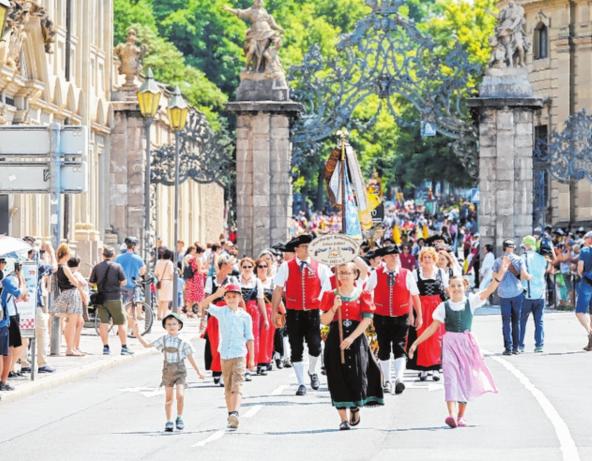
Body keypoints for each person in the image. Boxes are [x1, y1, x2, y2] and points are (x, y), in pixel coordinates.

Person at [408, 272, 505, 428]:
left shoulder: (471, 302)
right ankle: (451, 415)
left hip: (466, 345)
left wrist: (499, 275)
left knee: (465, 380)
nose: (456, 288)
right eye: (452, 286)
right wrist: (415, 343)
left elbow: (488, 290)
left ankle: (460, 416)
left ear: (465, 287)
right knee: (451, 379)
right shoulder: (443, 307)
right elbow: (432, 328)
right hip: (450, 344)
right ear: (448, 289)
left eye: (459, 285)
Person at [320, 262, 384, 430]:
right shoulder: (330, 294)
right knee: (336, 376)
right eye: (341, 273)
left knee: (357, 374)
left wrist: (351, 338)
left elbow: (367, 319)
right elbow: (324, 320)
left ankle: (355, 406)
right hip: (335, 339)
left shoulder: (363, 294)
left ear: (355, 275)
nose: (344, 276)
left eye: (347, 273)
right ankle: (343, 419)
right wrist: (334, 307)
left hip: (356, 339)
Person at [271, 234, 332, 396]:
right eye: (304, 246)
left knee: (316, 347)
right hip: (294, 313)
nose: (307, 249)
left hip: (313, 313)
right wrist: (274, 310)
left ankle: (312, 371)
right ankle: (301, 383)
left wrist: (323, 307)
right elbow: (278, 289)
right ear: (296, 249)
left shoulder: (321, 267)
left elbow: (327, 289)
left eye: (309, 246)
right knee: (295, 348)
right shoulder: (286, 266)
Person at [133, 312, 203, 432]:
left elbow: (190, 357)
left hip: (180, 371)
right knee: (169, 398)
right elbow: (147, 345)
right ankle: (169, 421)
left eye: (174, 324)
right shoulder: (163, 339)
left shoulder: (183, 341)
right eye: (169, 324)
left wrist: (198, 371)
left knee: (180, 396)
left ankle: (179, 417)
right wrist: (138, 335)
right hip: (167, 371)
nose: (171, 326)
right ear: (165, 326)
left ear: (179, 325)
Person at [365, 245, 422, 394]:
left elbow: (415, 295)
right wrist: (368, 311)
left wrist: (419, 315)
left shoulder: (406, 274)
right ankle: (386, 380)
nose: (395, 257)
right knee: (383, 348)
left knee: (399, 347)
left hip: (401, 316)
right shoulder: (376, 274)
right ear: (384, 258)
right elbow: (366, 292)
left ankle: (399, 379)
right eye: (391, 255)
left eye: (396, 254)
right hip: (381, 316)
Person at [202, 284, 255, 430]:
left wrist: (251, 359)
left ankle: (235, 413)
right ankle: (230, 413)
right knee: (228, 387)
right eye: (228, 297)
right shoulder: (221, 312)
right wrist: (216, 294)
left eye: (234, 296)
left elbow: (250, 337)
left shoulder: (245, 316)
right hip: (225, 354)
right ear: (225, 298)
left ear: (239, 298)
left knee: (237, 386)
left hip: (239, 355)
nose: (231, 299)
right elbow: (203, 305)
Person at [408, 246, 448, 382]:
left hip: (437, 307)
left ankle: (435, 368)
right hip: (421, 307)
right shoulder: (415, 273)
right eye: (424, 257)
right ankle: (423, 369)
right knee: (422, 336)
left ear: (434, 259)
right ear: (421, 260)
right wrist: (412, 314)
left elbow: (447, 291)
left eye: (429, 257)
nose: (427, 260)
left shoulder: (441, 273)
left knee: (436, 337)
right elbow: (411, 294)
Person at [200, 255, 239, 385]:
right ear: (223, 266)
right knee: (215, 344)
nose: (232, 267)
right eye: (230, 265)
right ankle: (217, 371)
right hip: (214, 315)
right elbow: (205, 300)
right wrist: (202, 319)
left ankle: (223, 372)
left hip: (229, 315)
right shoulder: (211, 280)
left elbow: (240, 299)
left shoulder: (233, 280)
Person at [89, 247, 133, 356]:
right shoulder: (117, 267)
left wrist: (99, 285)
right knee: (121, 322)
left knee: (104, 323)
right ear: (113, 255)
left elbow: (91, 283)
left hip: (102, 298)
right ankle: (124, 347)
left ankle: (105, 347)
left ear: (103, 255)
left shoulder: (97, 267)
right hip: (115, 298)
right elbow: (123, 282)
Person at [492, 240, 532, 355]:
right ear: (513, 248)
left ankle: (508, 348)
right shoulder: (519, 259)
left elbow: (494, 277)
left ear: (503, 248)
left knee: (505, 322)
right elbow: (523, 276)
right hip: (517, 293)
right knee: (516, 321)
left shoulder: (498, 261)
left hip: (504, 294)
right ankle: (516, 347)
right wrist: (530, 277)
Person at [52, 244, 86, 356]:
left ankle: (70, 348)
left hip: (64, 294)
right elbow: (74, 282)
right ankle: (69, 349)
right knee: (72, 323)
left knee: (69, 323)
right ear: (65, 254)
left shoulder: (57, 267)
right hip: (72, 294)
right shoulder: (65, 267)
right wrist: (77, 283)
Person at [1, 262, 29, 391]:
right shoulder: (7, 279)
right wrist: (21, 279)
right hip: (6, 318)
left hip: (8, 316)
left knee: (10, 349)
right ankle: (4, 380)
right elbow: (21, 294)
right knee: (7, 350)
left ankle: (6, 377)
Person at [238, 257, 267, 379]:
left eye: (249, 266)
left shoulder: (256, 282)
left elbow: (260, 300)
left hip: (253, 311)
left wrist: (265, 318)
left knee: (251, 338)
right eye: (244, 267)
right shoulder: (236, 280)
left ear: (253, 267)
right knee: (239, 338)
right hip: (239, 310)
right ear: (241, 268)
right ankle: (241, 366)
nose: (247, 269)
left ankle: (250, 367)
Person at [519, 236, 548, 353]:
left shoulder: (523, 258)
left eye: (524, 246)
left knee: (522, 321)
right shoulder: (542, 258)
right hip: (540, 294)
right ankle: (539, 345)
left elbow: (522, 274)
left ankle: (520, 345)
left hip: (527, 294)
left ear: (527, 245)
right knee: (539, 321)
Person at [115, 237, 146, 328]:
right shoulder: (138, 258)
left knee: (122, 306)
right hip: (132, 285)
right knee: (132, 309)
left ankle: (121, 327)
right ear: (134, 246)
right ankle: (132, 329)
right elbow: (143, 271)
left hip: (121, 284)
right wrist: (137, 274)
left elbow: (115, 269)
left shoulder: (119, 257)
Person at [256, 257, 275, 373]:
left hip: (268, 311)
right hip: (255, 311)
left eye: (265, 266)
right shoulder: (253, 281)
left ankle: (266, 360)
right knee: (256, 337)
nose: (263, 269)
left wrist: (283, 313)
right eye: (260, 266)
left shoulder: (271, 281)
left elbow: (278, 298)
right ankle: (257, 361)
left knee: (267, 337)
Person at [576, 231, 592, 351]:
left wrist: (581, 275)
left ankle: (590, 332)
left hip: (587, 283)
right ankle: (590, 344)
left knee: (580, 311)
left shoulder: (585, 251)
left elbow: (580, 268)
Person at [183, 245, 206, 317]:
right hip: (197, 279)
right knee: (199, 296)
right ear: (201, 252)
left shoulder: (191, 259)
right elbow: (199, 271)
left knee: (191, 295)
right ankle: (198, 312)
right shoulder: (198, 259)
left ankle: (189, 311)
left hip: (191, 279)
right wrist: (205, 270)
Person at [155, 249, 175, 320]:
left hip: (160, 282)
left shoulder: (158, 262)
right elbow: (172, 274)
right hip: (168, 282)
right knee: (166, 300)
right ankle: (164, 315)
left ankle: (159, 315)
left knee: (160, 299)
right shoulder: (169, 263)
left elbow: (156, 273)